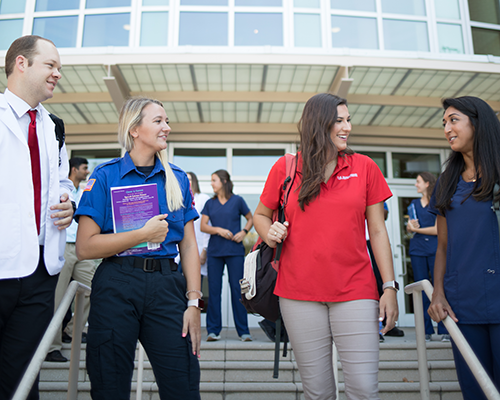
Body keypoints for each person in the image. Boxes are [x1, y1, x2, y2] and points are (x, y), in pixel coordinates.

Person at [253, 93, 398, 400]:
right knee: (317, 393)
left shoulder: (365, 166)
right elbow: (261, 215)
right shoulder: (286, 167)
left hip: (356, 290)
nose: (347, 127)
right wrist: (270, 233)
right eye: (339, 121)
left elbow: (378, 230)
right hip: (297, 293)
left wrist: (389, 286)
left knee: (363, 389)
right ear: (319, 124)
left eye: (349, 120)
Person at [75, 97, 202, 400]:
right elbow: (84, 247)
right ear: (135, 129)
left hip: (166, 287)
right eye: (158, 121)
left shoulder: (178, 179)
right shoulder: (105, 176)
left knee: (183, 385)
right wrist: (141, 234)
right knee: (109, 384)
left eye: (166, 121)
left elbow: (188, 245)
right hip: (117, 283)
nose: (167, 128)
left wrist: (194, 303)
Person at [0, 35, 74, 399]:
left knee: (24, 376)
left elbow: (61, 180)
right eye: (51, 65)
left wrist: (68, 200)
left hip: (41, 273)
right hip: (1, 265)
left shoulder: (54, 126)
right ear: (21, 63)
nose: (58, 73)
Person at [428, 96, 500, 400]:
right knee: (475, 390)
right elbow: (443, 245)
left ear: (477, 122)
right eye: (444, 122)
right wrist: (438, 292)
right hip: (463, 305)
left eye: (453, 119)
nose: (447, 128)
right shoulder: (447, 182)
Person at [46, 157, 97, 362]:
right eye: (84, 169)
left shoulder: (83, 191)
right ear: (74, 169)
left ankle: (70, 330)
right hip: (62, 246)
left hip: (80, 248)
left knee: (93, 289)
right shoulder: (61, 191)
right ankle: (51, 346)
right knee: (57, 298)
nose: (87, 172)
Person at [200, 170, 253, 342]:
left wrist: (244, 232)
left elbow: (251, 218)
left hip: (235, 252)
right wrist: (218, 230)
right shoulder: (210, 203)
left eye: (214, 180)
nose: (211, 184)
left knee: (237, 290)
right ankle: (213, 331)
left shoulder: (238, 201)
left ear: (223, 181)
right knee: (214, 291)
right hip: (215, 253)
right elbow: (203, 226)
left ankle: (244, 331)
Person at [406, 172, 448, 342]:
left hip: (435, 249)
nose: (416, 184)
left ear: (428, 184)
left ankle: (445, 329)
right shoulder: (413, 204)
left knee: (439, 288)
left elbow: (437, 230)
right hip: (417, 250)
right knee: (422, 289)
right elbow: (411, 225)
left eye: (418, 182)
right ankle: (426, 331)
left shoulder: (437, 203)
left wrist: (415, 230)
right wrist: (410, 227)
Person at [186, 172, 210, 287]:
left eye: (189, 179)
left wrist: (204, 250)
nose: (187, 181)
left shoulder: (204, 199)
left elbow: (207, 227)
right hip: (180, 251)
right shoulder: (179, 199)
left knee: (195, 285)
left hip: (198, 248)